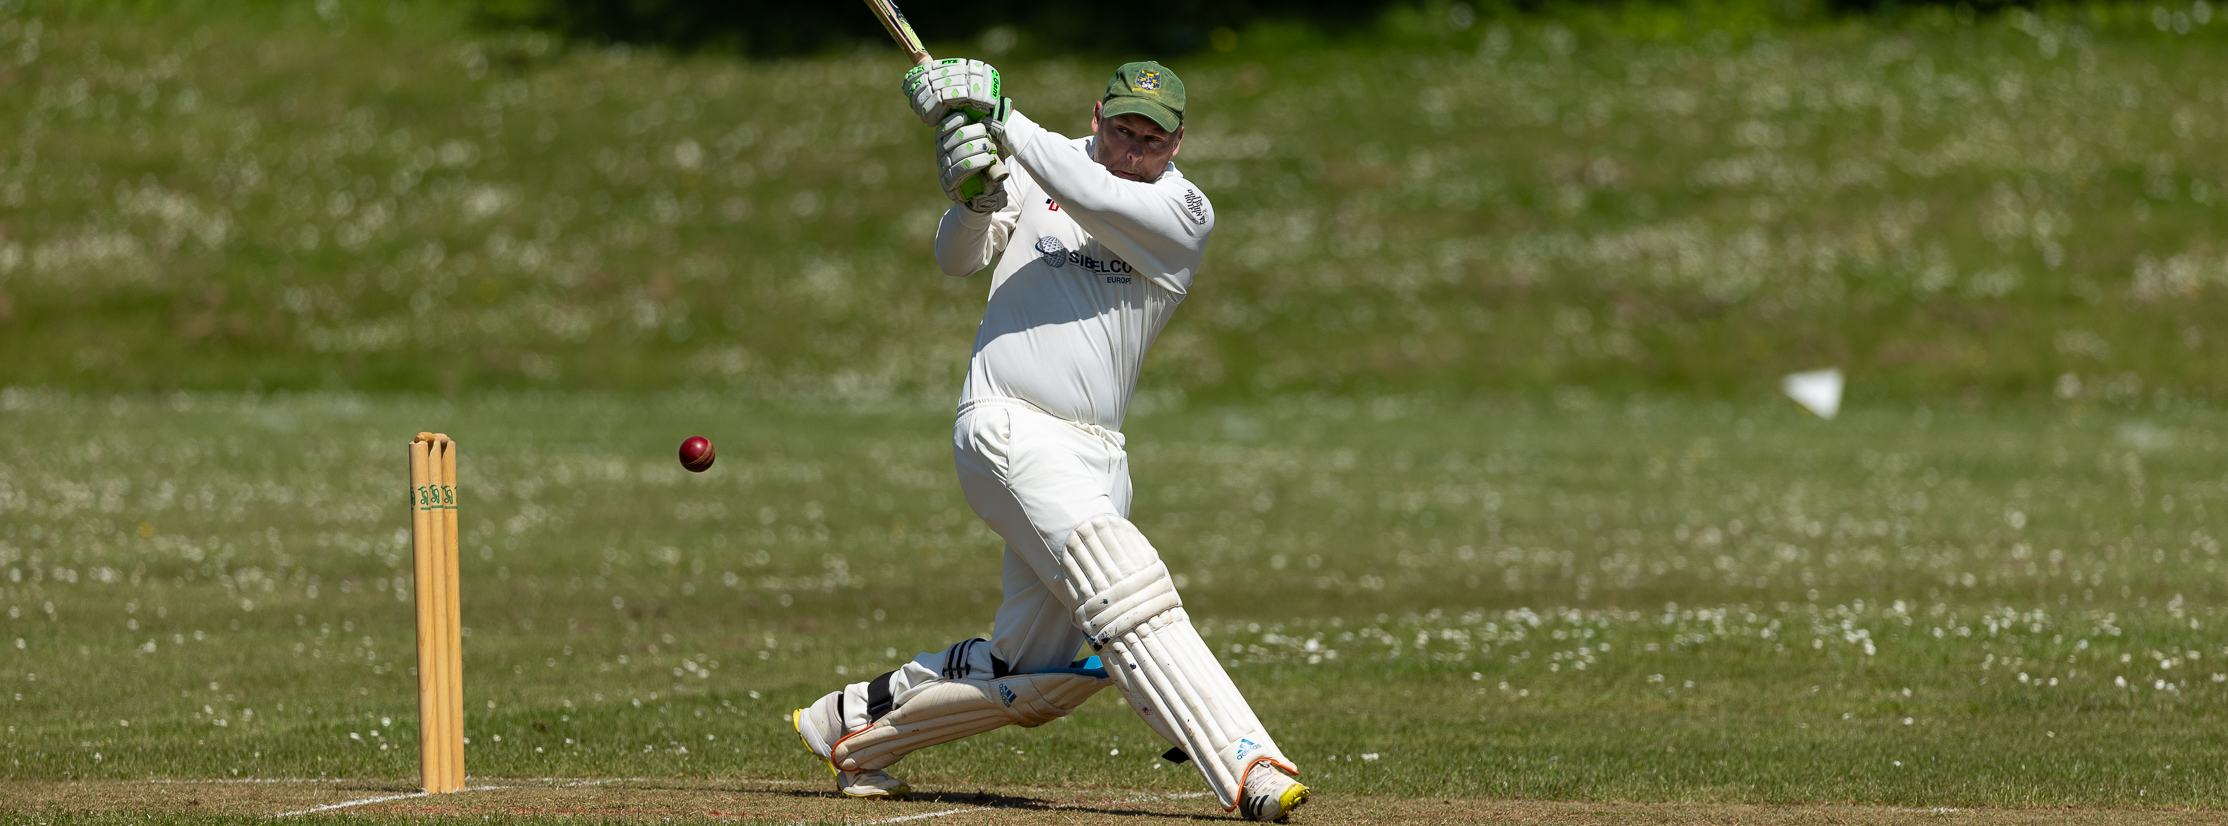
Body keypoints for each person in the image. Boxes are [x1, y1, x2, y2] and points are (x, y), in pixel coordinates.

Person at [786, 60, 1309, 822]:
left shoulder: (1183, 213)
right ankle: (1250, 764)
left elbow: (1089, 191)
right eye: (1121, 129)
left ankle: (858, 727)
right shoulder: (1040, 163)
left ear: (1178, 143)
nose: (1133, 148)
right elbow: (956, 259)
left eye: (1151, 139)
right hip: (1006, 424)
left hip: (1099, 452)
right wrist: (973, 203)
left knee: (1041, 671)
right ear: (1096, 116)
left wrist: (1000, 116)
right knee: (1126, 584)